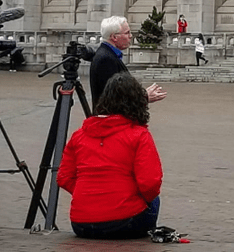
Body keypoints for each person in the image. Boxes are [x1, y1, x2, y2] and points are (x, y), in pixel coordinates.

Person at [57, 72, 163, 239]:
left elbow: (64, 177)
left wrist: (88, 194)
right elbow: (150, 183)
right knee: (154, 201)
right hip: (124, 221)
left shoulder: (79, 135)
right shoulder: (139, 135)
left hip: (81, 222)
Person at [89, 16, 166, 111]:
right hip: (112, 122)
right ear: (114, 37)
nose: (131, 36)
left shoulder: (109, 54)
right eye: (127, 33)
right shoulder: (106, 59)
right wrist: (143, 98)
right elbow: (113, 98)